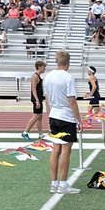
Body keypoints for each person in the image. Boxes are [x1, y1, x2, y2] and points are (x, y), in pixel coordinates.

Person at [43, 50, 82, 194]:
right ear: (68, 63)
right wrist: (79, 120)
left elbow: (47, 100)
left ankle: (54, 183)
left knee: (55, 149)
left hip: (54, 115)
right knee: (66, 150)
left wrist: (49, 116)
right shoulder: (68, 77)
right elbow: (72, 101)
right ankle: (63, 184)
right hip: (66, 116)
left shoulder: (48, 77)